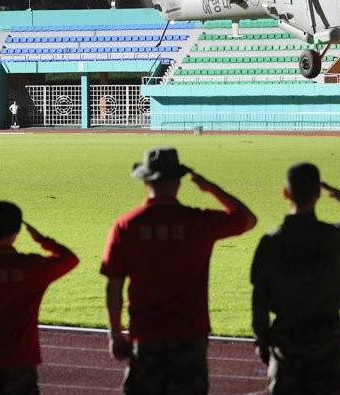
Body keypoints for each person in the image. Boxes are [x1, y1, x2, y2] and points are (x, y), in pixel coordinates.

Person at [101, 146, 257, 394]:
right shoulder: (198, 222)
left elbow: (113, 286)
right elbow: (248, 219)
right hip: (190, 336)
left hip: (146, 335)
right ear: (178, 182)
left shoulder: (126, 226)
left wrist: (115, 335)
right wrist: (210, 188)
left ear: (145, 181)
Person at [251, 162, 340, 394]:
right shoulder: (336, 237)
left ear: (285, 193)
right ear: (318, 194)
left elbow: (259, 297)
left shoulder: (271, 243)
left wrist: (262, 340)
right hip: (326, 339)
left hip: (287, 338)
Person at [0, 201, 79, 395]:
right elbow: (70, 259)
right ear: (16, 231)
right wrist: (41, 239)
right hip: (21, 360)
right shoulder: (32, 268)